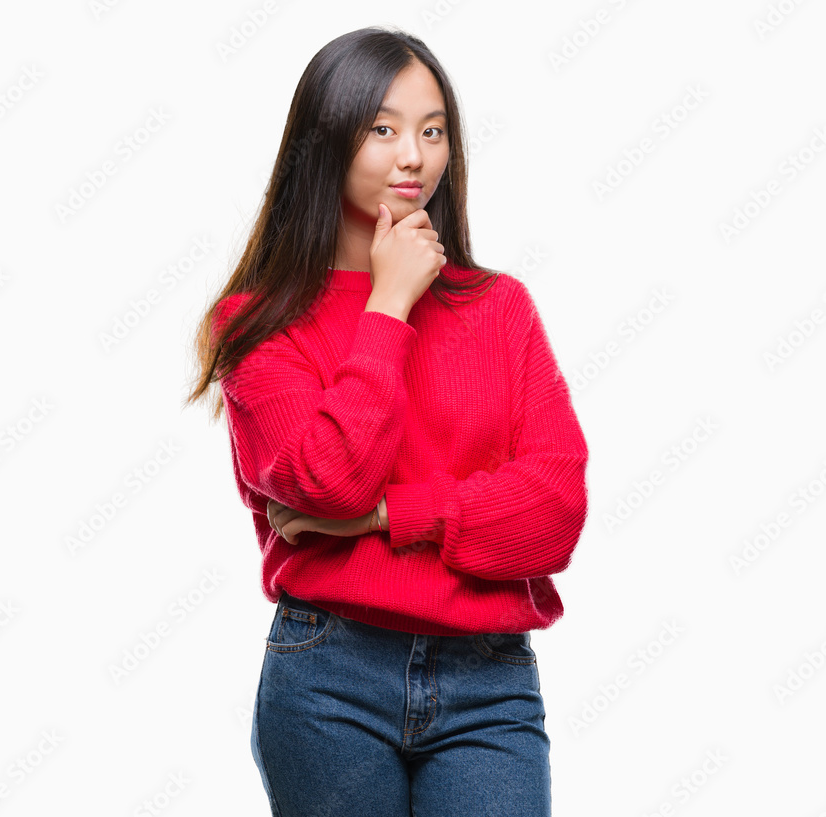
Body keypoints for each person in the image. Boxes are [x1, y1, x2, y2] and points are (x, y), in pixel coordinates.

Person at [185, 25, 589, 817]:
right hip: (328, 678)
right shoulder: (258, 325)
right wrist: (390, 301)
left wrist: (384, 515)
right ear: (325, 140)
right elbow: (329, 481)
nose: (414, 157)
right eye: (383, 129)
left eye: (432, 131)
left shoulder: (500, 308)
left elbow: (554, 513)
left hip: (489, 681)